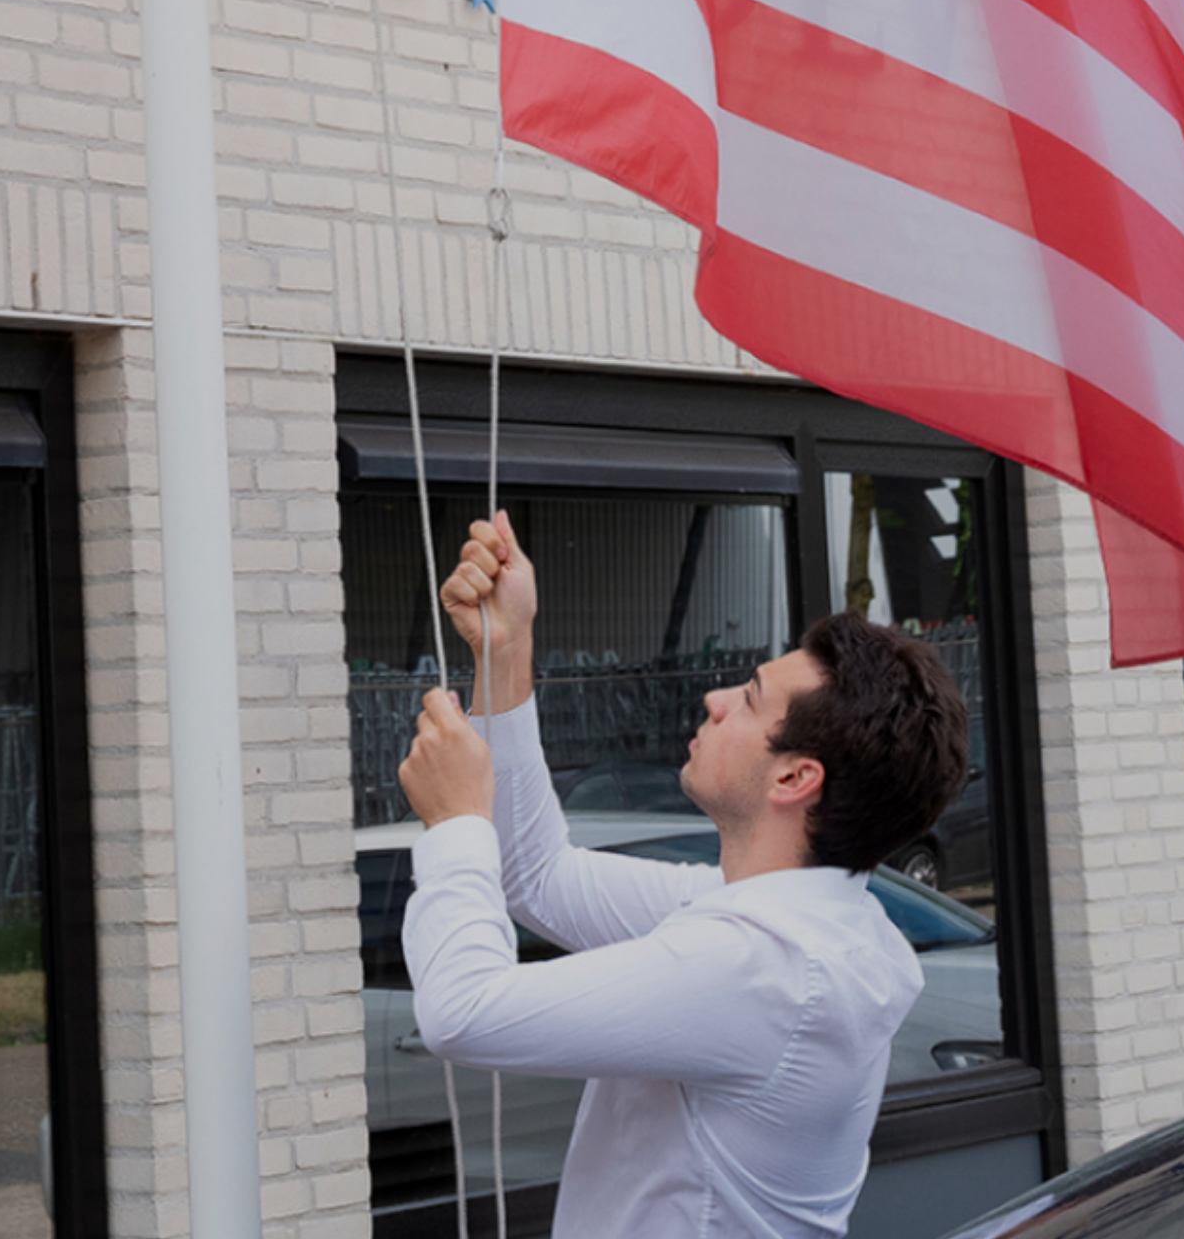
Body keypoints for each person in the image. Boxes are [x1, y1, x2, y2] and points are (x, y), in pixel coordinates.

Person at [397, 514, 972, 1238]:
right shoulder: (784, 923)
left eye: (752, 697)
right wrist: (506, 655)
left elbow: (464, 1013)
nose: (717, 699)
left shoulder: (766, 967)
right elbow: (537, 876)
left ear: (796, 776)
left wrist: (455, 825)